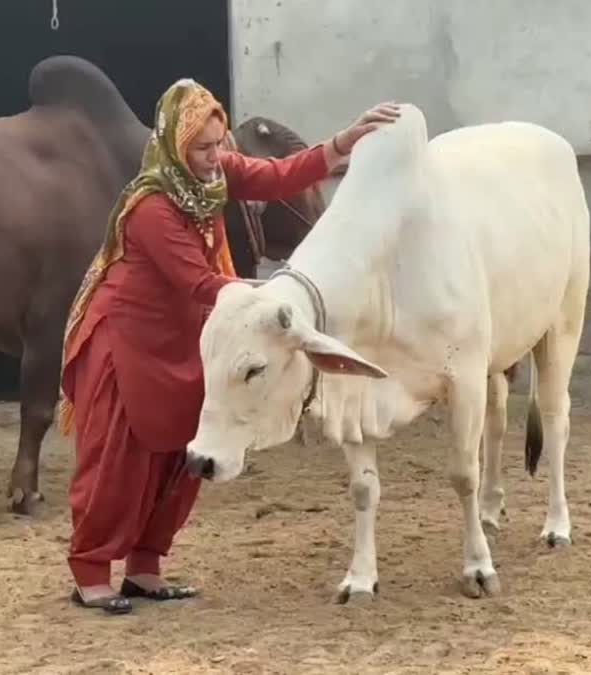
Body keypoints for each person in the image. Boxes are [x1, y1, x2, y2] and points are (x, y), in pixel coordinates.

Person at [56, 77, 400, 614]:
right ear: (174, 145)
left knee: (181, 454)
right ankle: (91, 572)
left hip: (192, 339)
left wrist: (343, 142)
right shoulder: (152, 206)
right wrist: (280, 293)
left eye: (219, 144)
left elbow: (280, 176)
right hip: (130, 341)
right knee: (119, 461)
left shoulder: (215, 177)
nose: (215, 157)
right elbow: (197, 280)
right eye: (202, 148)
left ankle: (145, 569)